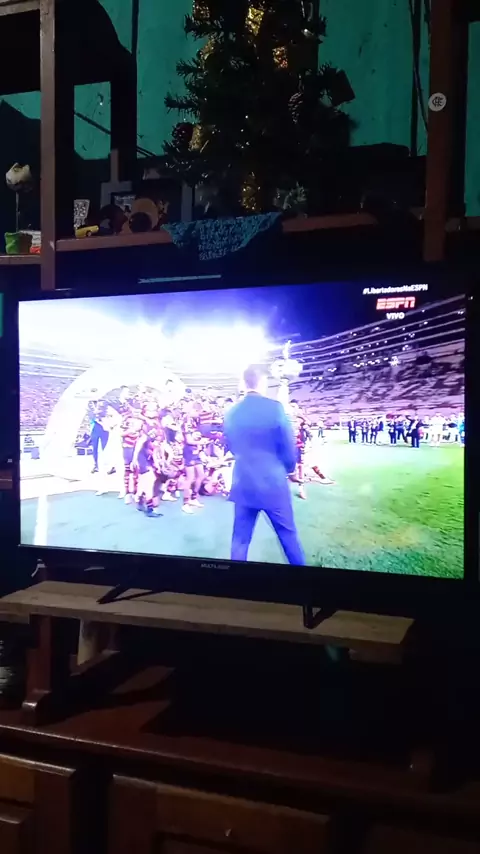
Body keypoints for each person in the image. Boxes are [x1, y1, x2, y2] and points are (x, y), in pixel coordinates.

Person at [223, 365, 305, 565]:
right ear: (263, 382)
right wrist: (290, 469)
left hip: (243, 481)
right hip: (272, 483)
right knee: (287, 535)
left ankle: (233, 581)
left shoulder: (231, 412)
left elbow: (230, 446)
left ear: (244, 383)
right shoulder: (275, 408)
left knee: (240, 540)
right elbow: (288, 445)